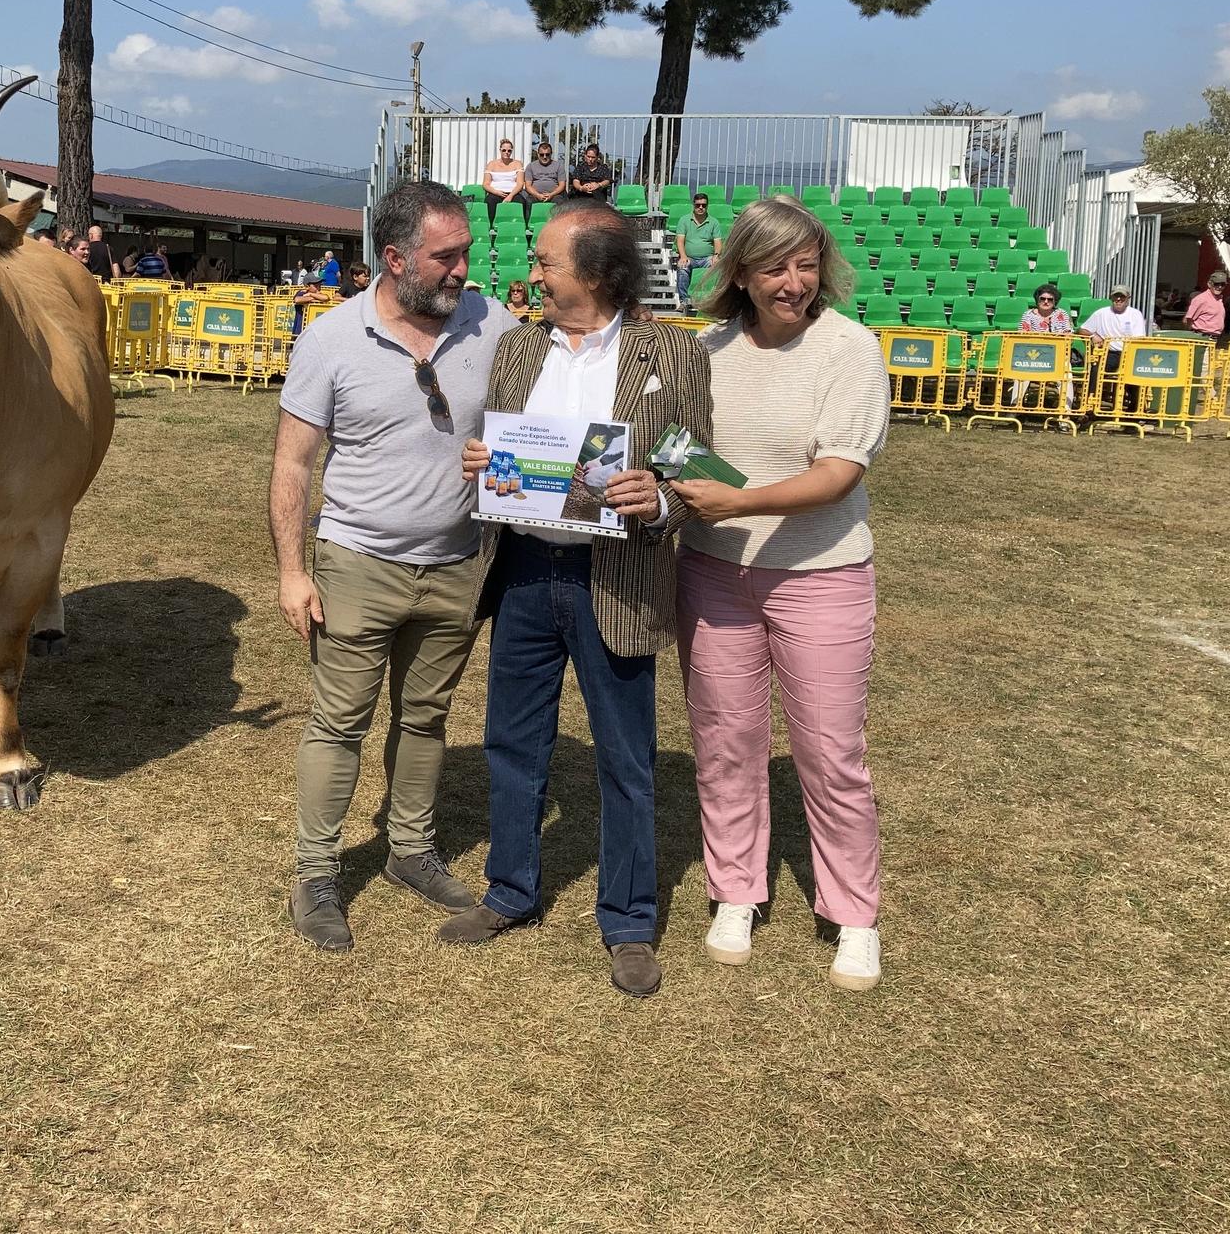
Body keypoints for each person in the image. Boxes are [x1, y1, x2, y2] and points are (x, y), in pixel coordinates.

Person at [438, 205, 713, 999]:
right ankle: (510, 891)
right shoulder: (520, 348)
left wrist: (657, 498)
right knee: (511, 744)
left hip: (617, 582)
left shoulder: (673, 352)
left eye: (546, 259)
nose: (533, 271)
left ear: (594, 272)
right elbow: (506, 453)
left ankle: (628, 920)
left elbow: (696, 465)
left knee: (626, 761)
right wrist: (482, 460)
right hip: (524, 574)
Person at [271, 181, 517, 952]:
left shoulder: (493, 322)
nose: (461, 271)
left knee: (426, 716)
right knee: (339, 721)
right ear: (396, 258)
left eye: (466, 253)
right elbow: (292, 463)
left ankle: (410, 849)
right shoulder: (331, 339)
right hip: (357, 563)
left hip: (456, 564)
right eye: (446, 257)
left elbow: (544, 422)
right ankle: (316, 876)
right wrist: (292, 570)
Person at [667, 196, 889, 992]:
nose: (793, 282)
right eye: (774, 267)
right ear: (741, 273)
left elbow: (839, 475)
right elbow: (680, 445)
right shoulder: (709, 347)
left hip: (821, 575)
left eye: (805, 264)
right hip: (712, 571)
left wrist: (740, 502)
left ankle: (854, 912)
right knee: (727, 743)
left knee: (831, 752)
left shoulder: (850, 349)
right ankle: (735, 891)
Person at [1082, 284, 1148, 415]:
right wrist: (1093, 335)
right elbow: (1083, 329)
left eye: (1122, 297)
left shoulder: (1135, 314)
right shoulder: (1101, 313)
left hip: (1130, 353)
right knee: (1095, 370)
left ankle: (1135, 411)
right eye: (1116, 296)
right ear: (1111, 298)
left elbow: (1139, 339)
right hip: (1109, 353)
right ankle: (1090, 408)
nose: (1118, 299)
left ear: (1128, 298)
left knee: (1138, 375)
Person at [675, 192, 723, 302]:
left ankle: (710, 300)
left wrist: (716, 256)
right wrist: (683, 256)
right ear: (694, 205)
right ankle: (684, 300)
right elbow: (680, 241)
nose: (701, 207)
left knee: (717, 266)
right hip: (689, 258)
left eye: (703, 205)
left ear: (707, 206)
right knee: (682, 267)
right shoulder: (684, 220)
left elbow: (718, 242)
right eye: (698, 205)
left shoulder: (714, 222)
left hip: (707, 258)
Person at [519, 140, 566, 212]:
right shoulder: (531, 166)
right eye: (542, 154)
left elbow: (562, 185)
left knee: (560, 202)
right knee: (529, 201)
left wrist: (551, 194)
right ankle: (529, 223)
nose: (544, 157)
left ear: (551, 154)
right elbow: (528, 186)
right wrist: (538, 195)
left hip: (554, 195)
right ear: (538, 154)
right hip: (535, 196)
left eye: (547, 154)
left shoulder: (559, 166)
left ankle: (557, 223)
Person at [1184, 269, 1229, 341]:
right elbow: (1188, 320)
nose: (1220, 287)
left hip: (1215, 338)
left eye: (1222, 284)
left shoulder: (1219, 299)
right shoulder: (1201, 299)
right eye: (1216, 284)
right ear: (1209, 284)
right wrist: (1194, 336)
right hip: (1202, 338)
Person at [482, 139, 524, 205]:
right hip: (495, 193)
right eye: (504, 150)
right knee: (489, 201)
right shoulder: (491, 164)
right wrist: (496, 192)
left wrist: (510, 196)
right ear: (500, 150)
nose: (506, 152)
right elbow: (485, 184)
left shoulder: (518, 164)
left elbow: (520, 184)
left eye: (509, 150)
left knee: (521, 202)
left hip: (513, 193)